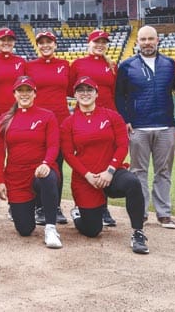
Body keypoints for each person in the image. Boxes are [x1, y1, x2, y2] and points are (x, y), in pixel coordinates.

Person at [60, 76, 149, 254]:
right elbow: (69, 154)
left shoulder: (112, 116)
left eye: (89, 90)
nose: (85, 94)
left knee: (132, 182)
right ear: (75, 95)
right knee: (93, 231)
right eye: (80, 90)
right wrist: (87, 175)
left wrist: (109, 171)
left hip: (111, 174)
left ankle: (138, 232)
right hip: (86, 178)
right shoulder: (68, 123)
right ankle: (78, 213)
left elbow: (122, 145)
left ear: (96, 93)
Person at [115, 25, 175, 228]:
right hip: (138, 127)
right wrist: (125, 119)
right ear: (137, 42)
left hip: (165, 125)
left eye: (151, 39)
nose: (147, 43)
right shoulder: (126, 66)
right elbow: (119, 95)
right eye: (143, 39)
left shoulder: (170, 64)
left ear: (157, 40)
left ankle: (163, 213)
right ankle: (140, 211)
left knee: (164, 171)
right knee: (138, 171)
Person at [0, 76, 62, 249]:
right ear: (14, 94)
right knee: (24, 229)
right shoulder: (5, 119)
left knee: (48, 178)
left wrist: (46, 163)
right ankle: (30, 209)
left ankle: (51, 228)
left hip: (40, 170)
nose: (24, 94)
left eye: (28, 90)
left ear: (35, 93)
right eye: (20, 91)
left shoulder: (47, 116)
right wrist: (0, 181)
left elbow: (54, 145)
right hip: (16, 176)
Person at [69, 29, 118, 226]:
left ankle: (103, 208)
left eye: (103, 42)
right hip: (84, 118)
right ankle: (80, 205)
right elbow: (70, 90)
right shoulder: (79, 64)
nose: (100, 45)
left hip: (108, 119)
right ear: (89, 43)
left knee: (105, 161)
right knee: (83, 159)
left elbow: (115, 93)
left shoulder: (112, 65)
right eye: (96, 41)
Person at [25, 31, 70, 226]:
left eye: (49, 42)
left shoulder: (65, 65)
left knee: (56, 165)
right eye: (41, 42)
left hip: (60, 122)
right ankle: (38, 206)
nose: (45, 45)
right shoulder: (30, 66)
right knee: (35, 163)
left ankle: (55, 205)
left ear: (55, 44)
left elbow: (76, 88)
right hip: (36, 122)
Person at [0, 27, 27, 222]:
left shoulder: (21, 62)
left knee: (16, 160)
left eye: (10, 39)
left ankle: (15, 202)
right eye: (2, 40)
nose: (6, 42)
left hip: (16, 117)